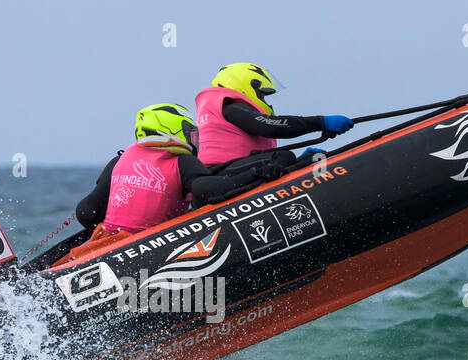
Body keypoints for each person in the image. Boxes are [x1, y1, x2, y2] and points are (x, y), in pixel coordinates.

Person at [75, 103, 274, 236]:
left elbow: (88, 213)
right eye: (190, 133)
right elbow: (207, 190)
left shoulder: (118, 161)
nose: (193, 139)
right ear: (171, 130)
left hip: (112, 244)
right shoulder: (181, 160)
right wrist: (256, 174)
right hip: (154, 245)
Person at [194, 62, 353, 167]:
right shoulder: (231, 108)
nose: (264, 101)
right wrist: (320, 122)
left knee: (283, 159)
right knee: (283, 157)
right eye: (262, 94)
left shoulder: (222, 110)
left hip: (233, 171)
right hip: (222, 172)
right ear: (247, 87)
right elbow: (270, 126)